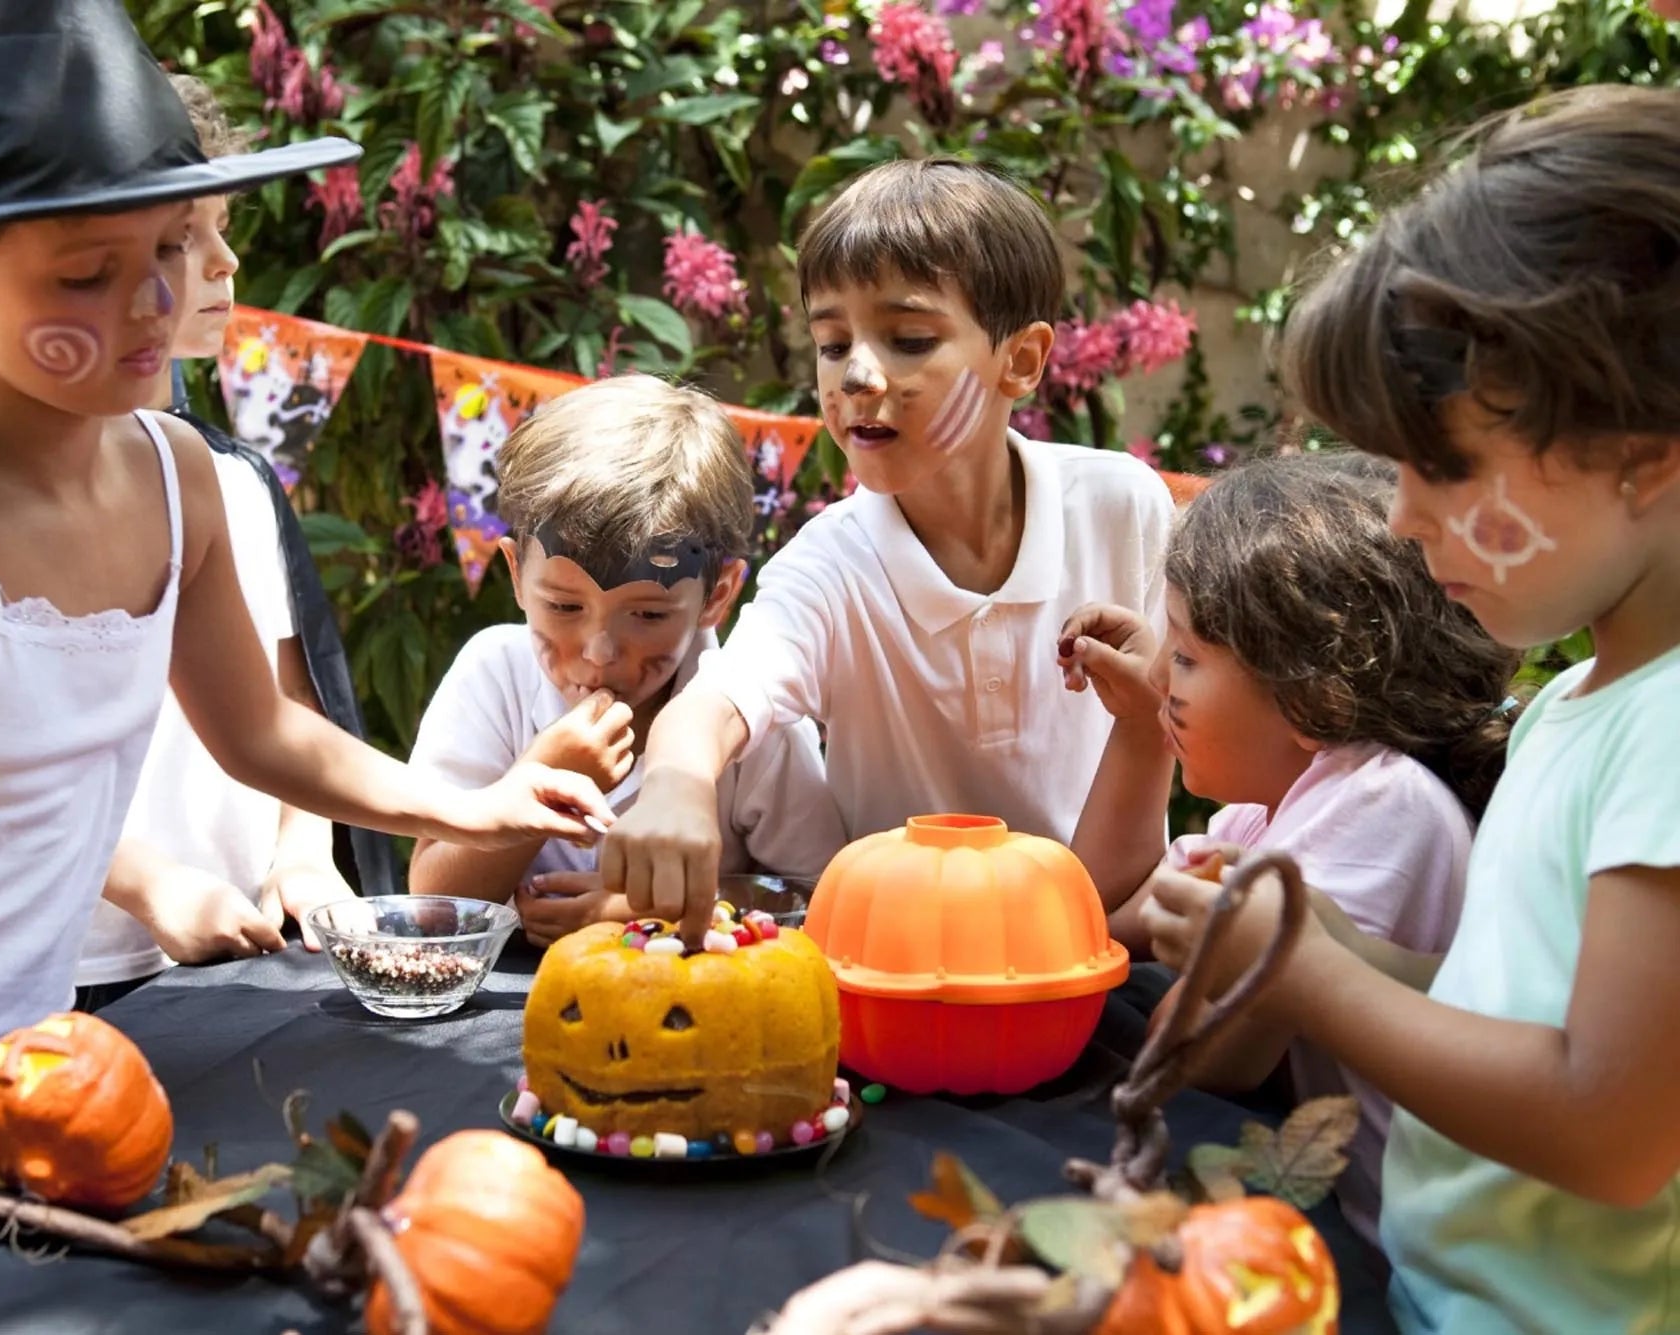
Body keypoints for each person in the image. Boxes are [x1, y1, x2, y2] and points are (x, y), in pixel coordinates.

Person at [0, 0, 608, 1194]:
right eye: (87, 274)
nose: (154, 302)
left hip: (25, 1087)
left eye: (171, 246)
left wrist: (469, 808)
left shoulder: (178, 477)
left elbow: (260, 730)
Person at [1140, 85, 1680, 1332]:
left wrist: (1304, 979)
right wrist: (1319, 939)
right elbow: (1507, 1014)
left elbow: (1609, 1131)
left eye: (1440, 467)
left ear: (1641, 451)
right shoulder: (1582, 704)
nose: (1398, 519)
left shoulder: (1664, 732)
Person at [599, 158, 1176, 942]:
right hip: (898, 968)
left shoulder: (1123, 507)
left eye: (908, 339)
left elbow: (1173, 734)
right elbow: (715, 702)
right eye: (832, 344)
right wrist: (673, 783)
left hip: (1100, 943)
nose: (858, 375)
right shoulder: (828, 567)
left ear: (1024, 360)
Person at [1058, 452, 1518, 1244]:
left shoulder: (1383, 801)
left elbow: (1190, 1057)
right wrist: (1141, 728)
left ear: (1312, 698)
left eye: (1188, 655)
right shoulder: (1270, 817)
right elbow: (1095, 912)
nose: (1162, 670)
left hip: (1411, 1258)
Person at [75, 76, 380, 1010]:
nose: (225, 264)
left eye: (218, 228)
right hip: (77, 967)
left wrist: (304, 846)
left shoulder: (232, 480)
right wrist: (148, 883)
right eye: (184, 236)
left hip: (241, 953)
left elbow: (284, 704)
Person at [409, 375, 846, 946]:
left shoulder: (750, 719)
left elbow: (819, 896)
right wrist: (539, 784)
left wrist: (640, 911)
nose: (599, 651)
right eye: (564, 605)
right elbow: (432, 909)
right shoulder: (493, 678)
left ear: (716, 595)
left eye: (647, 615)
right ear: (516, 575)